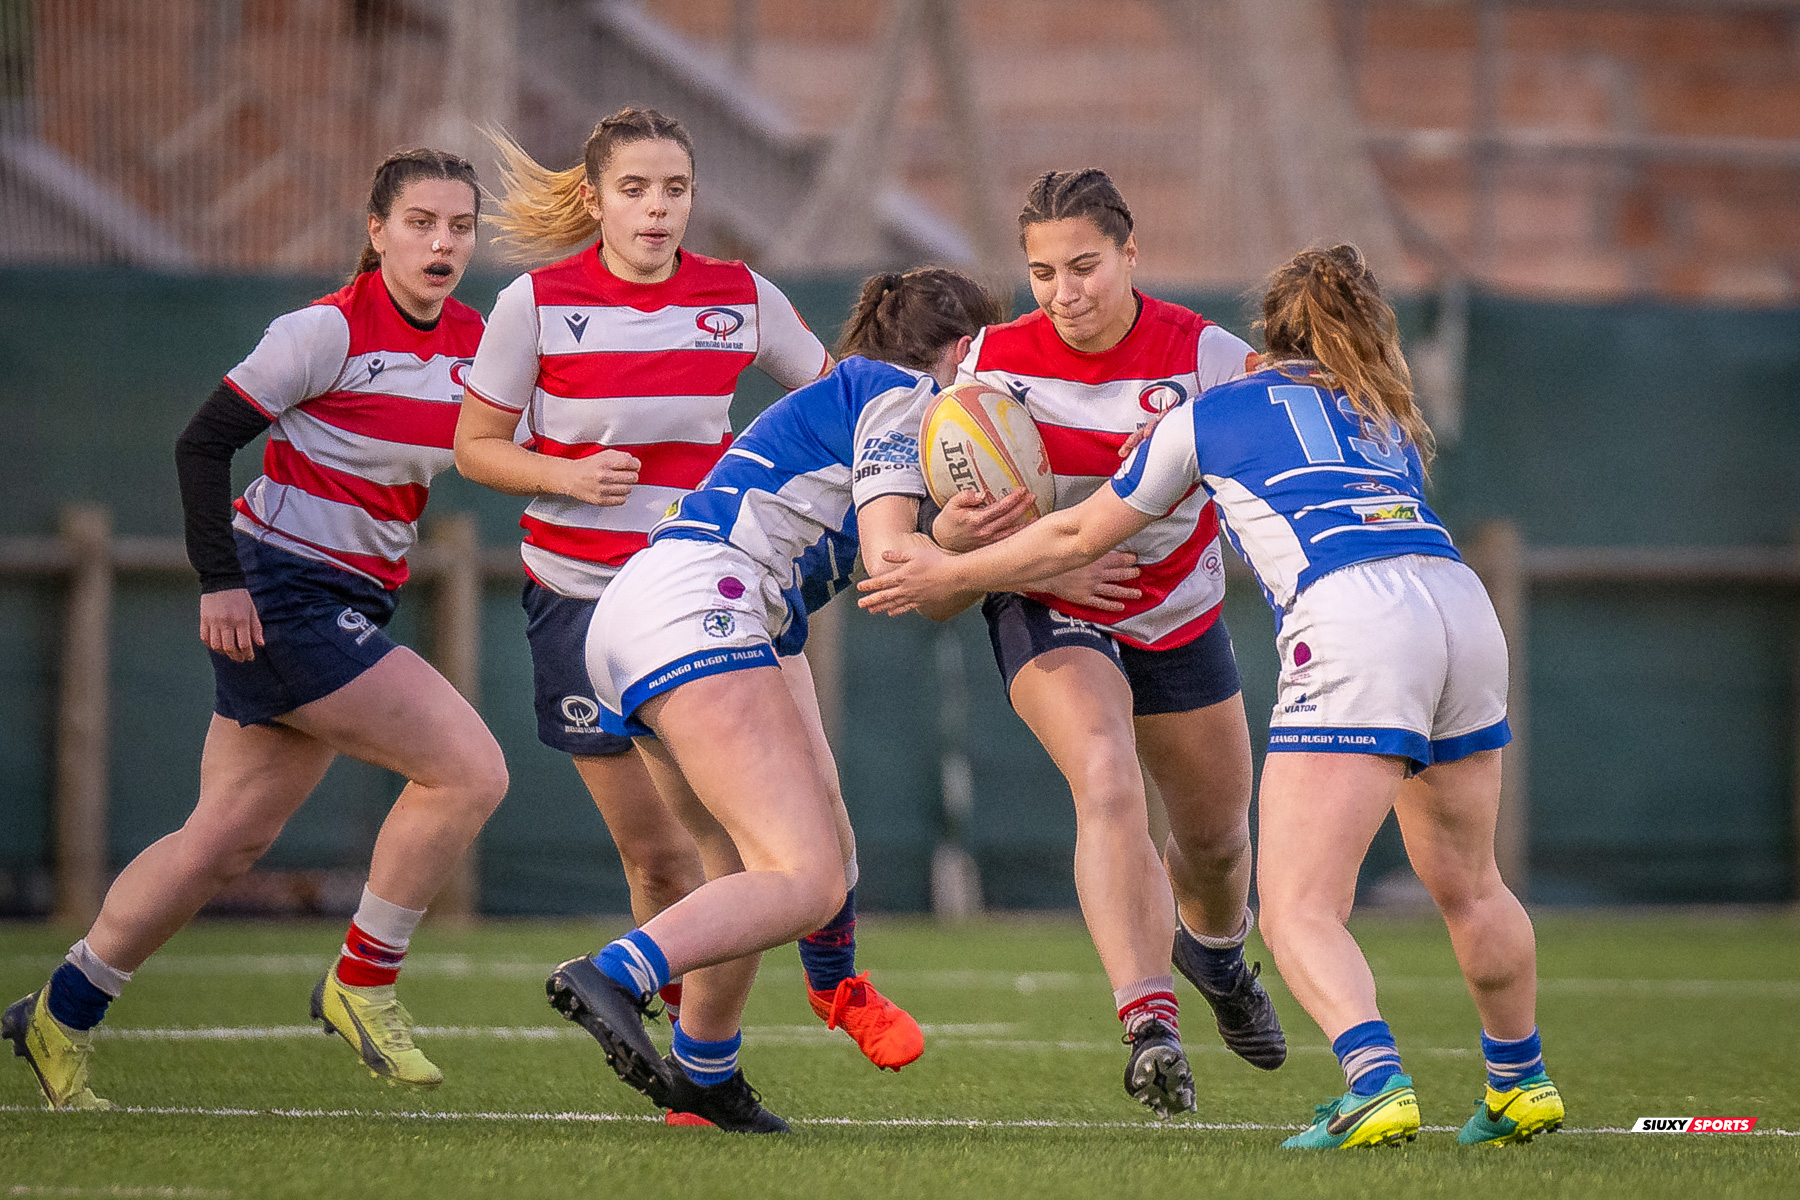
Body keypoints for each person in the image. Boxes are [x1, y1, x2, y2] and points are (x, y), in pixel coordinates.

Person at [858, 243, 1563, 1149]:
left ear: (1263, 340)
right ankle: (1519, 1082)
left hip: (1354, 620)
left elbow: (1076, 532)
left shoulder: (1212, 410)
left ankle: (1373, 1079)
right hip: (1462, 608)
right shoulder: (1380, 411)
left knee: (1299, 903)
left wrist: (947, 565)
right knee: (1472, 885)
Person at [546, 267, 1122, 1131]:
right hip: (707, 603)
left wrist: (956, 548)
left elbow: (923, 583)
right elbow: (896, 562)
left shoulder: (864, 397)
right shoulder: (899, 396)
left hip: (685, 607)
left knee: (760, 862)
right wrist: (1020, 551)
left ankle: (706, 1075)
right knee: (804, 877)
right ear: (964, 354)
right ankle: (617, 973)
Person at [3, 149, 509, 1108]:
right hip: (284, 589)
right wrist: (220, 582)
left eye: (458, 226)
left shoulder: (477, 343)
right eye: (419, 223)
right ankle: (363, 981)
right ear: (377, 231)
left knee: (224, 838)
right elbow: (201, 443)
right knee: (469, 770)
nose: (441, 243)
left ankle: (61, 1009)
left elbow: (521, 439)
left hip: (347, 596)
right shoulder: (323, 330)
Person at [453, 108, 919, 1073]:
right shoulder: (534, 305)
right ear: (595, 199)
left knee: (795, 822)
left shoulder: (740, 297)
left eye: (674, 190)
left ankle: (813, 993)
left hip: (720, 592)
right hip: (581, 602)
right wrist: (564, 476)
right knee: (664, 856)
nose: (657, 210)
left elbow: (849, 403)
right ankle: (671, 1031)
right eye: (634, 190)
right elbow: (474, 450)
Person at [922, 169, 1285, 1116]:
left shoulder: (1208, 355)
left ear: (1132, 253)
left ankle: (1214, 957)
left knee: (1214, 843)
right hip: (1045, 602)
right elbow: (947, 528)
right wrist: (966, 543)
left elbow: (1292, 430)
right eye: (1043, 273)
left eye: (1084, 266)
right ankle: (1150, 1026)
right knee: (1107, 776)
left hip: (1177, 609)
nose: (1064, 293)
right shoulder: (994, 362)